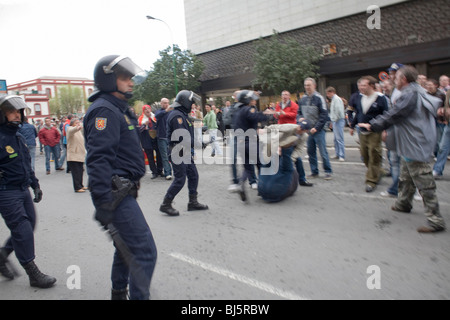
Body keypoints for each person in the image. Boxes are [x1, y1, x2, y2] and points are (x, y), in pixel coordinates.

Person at [83, 55, 157, 300]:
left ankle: (118, 292)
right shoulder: (104, 110)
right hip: (116, 195)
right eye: (124, 77)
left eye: (131, 77)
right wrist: (103, 202)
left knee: (124, 248)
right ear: (108, 79)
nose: (131, 82)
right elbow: (98, 159)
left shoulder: (118, 109)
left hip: (124, 190)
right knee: (144, 252)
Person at [359, 65, 445, 233]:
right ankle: (404, 203)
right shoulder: (414, 91)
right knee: (406, 176)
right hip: (411, 143)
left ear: (404, 80)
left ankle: (436, 220)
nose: (393, 80)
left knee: (423, 181)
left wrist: (373, 125)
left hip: (415, 143)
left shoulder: (410, 94)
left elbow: (395, 114)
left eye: (396, 77)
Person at [0, 95, 56, 288]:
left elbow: (25, 163)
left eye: (19, 111)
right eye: (12, 111)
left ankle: (2, 255)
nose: (17, 115)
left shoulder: (17, 135)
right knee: (22, 229)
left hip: (22, 189)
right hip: (6, 191)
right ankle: (33, 272)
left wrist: (35, 184)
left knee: (29, 224)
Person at [159, 90, 209, 216]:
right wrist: (197, 144)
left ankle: (193, 202)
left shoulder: (182, 115)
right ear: (184, 102)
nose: (192, 105)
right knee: (180, 179)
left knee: (193, 175)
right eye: (191, 102)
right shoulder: (177, 116)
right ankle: (166, 204)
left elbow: (191, 124)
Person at [233, 90, 275, 200]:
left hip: (241, 143)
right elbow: (255, 117)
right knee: (260, 165)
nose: (253, 101)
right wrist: (267, 115)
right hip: (250, 142)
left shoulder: (239, 111)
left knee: (247, 168)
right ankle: (263, 189)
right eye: (251, 99)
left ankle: (241, 184)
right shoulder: (248, 109)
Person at [350, 76, 389, 192]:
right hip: (362, 132)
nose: (361, 88)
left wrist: (385, 130)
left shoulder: (381, 98)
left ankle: (371, 181)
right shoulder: (359, 98)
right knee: (365, 155)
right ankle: (379, 171)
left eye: (364, 85)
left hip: (375, 132)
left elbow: (386, 116)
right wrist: (352, 126)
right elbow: (358, 113)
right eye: (360, 85)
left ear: (371, 85)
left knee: (374, 154)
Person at [297, 77, 333, 180]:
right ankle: (314, 172)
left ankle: (328, 171)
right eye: (305, 85)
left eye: (309, 85)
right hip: (308, 131)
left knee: (323, 152)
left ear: (314, 86)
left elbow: (324, 115)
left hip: (318, 130)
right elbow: (299, 113)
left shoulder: (319, 98)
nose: (307, 87)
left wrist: (316, 128)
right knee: (310, 152)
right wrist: (300, 119)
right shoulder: (302, 99)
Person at [138, 105, 163, 179]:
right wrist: (144, 124)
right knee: (150, 156)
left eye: (148, 108)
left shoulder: (155, 116)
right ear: (143, 111)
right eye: (145, 109)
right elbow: (139, 130)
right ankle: (154, 172)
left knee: (159, 154)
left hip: (156, 137)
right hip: (146, 138)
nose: (147, 110)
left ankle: (160, 170)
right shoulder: (140, 119)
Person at [66, 117, 87, 193]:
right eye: (76, 123)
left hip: (80, 154)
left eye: (79, 122)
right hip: (73, 155)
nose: (78, 124)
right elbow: (72, 130)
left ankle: (81, 185)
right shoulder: (70, 129)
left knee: (80, 171)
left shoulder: (79, 131)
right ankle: (77, 187)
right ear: (72, 124)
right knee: (76, 172)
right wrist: (76, 127)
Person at [433, 89, 450, 179]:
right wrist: (444, 109)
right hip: (449, 125)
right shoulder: (448, 93)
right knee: (443, 148)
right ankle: (437, 170)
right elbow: (446, 105)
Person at [155, 98, 173, 180]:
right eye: (164, 103)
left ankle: (175, 172)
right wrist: (166, 111)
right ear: (161, 104)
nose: (166, 104)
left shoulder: (171, 112)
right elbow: (157, 116)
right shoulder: (158, 112)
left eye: (167, 103)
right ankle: (167, 173)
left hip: (170, 137)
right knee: (164, 156)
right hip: (161, 137)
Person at [326, 87, 346, 161]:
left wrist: (334, 120)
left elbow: (338, 111)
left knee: (339, 138)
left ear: (332, 92)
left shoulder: (336, 99)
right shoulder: (334, 99)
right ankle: (337, 153)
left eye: (328, 93)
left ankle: (341, 155)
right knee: (336, 139)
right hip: (336, 120)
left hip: (338, 120)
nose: (327, 95)